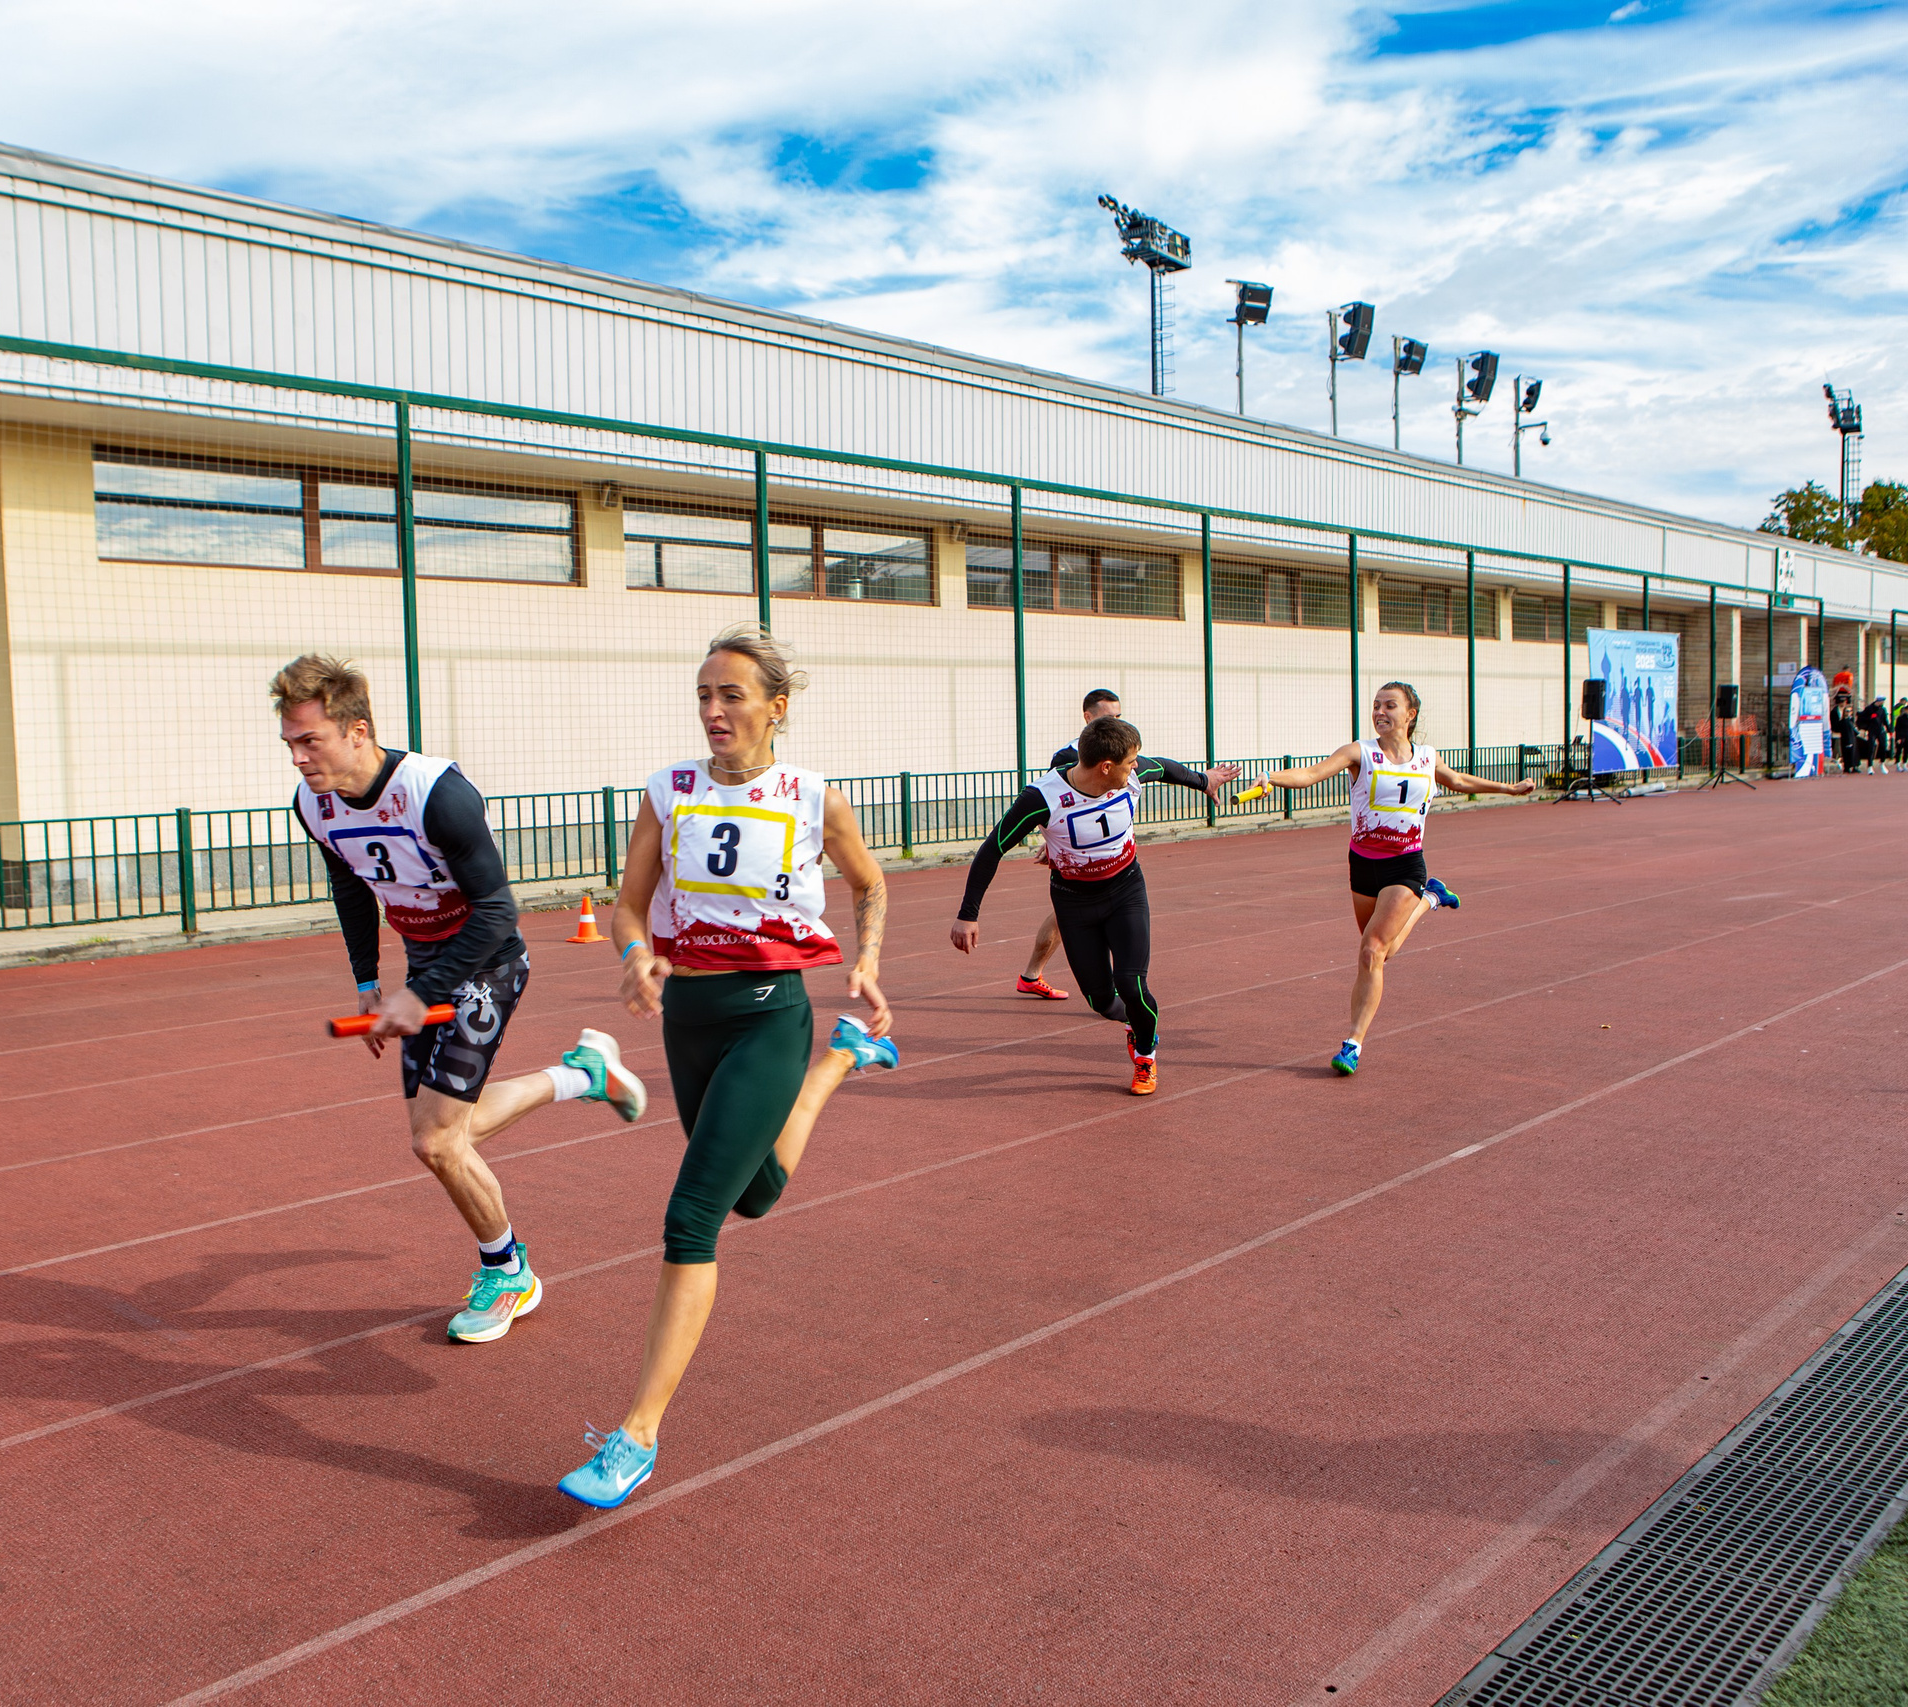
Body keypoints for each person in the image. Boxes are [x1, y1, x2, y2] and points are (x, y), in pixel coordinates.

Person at [559, 626, 896, 1510]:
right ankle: (837, 1068)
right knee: (754, 1195)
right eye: (704, 694)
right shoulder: (667, 790)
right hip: (689, 1018)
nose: (713, 710)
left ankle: (635, 1435)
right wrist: (633, 956)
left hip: (767, 1015)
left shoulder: (813, 797)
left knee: (692, 1217)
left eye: (732, 694)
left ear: (776, 706)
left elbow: (870, 883)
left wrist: (866, 962)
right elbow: (629, 906)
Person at [275, 655, 647, 1347]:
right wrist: (368, 981)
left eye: (309, 741)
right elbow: (353, 887)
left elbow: (498, 913)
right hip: (425, 963)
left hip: (485, 960)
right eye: (290, 744)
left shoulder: (436, 793)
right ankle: (580, 1075)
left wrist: (421, 993)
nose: (298, 758)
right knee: (449, 1132)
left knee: (436, 1138)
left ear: (358, 731)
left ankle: (508, 1271)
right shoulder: (312, 805)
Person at [950, 716, 1240, 1096]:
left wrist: (1205, 781)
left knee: (1132, 984)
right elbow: (993, 849)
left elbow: (1164, 767)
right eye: (1130, 761)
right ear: (1106, 767)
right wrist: (968, 913)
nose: (1137, 766)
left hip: (1126, 892)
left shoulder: (1132, 776)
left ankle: (1146, 1056)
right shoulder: (1042, 798)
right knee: (1102, 1001)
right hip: (1074, 904)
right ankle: (1134, 1020)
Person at [1259, 682, 1534, 1077]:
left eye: (1390, 705)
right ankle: (1431, 899)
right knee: (1382, 953)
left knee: (1371, 951)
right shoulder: (1360, 753)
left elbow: (1458, 781)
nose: (1380, 712)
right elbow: (1312, 773)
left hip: (1405, 866)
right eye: (1376, 706)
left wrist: (1509, 788)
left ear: (1411, 715)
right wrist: (1273, 778)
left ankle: (1352, 1043)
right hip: (1363, 864)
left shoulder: (1425, 758)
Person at [1011, 689, 1241, 1002]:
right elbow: (1055, 804)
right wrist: (1050, 842)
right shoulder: (1070, 758)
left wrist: (1203, 780)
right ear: (1088, 718)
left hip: (1108, 854)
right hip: (1082, 861)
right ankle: (1102, 985)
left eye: (1120, 716)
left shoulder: (1120, 753)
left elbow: (1158, 766)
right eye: (1110, 717)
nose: (1118, 722)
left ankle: (1032, 976)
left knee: (1069, 917)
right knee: (1083, 915)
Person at [1858, 695, 1895, 775]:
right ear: (1878, 701)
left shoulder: (1882, 710)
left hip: (1881, 730)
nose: (1882, 703)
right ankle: (1870, 766)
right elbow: (1862, 718)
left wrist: (1890, 730)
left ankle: (1882, 763)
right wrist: (1870, 718)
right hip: (1872, 730)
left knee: (1883, 746)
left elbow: (1885, 721)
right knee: (1871, 748)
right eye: (1881, 701)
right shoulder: (1869, 709)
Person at [1830, 685, 1860, 774]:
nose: (1843, 704)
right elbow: (1834, 724)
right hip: (1840, 732)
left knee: (1853, 749)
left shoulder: (1848, 710)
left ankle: (1854, 765)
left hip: (1849, 733)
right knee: (1843, 750)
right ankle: (1846, 765)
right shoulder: (1835, 711)